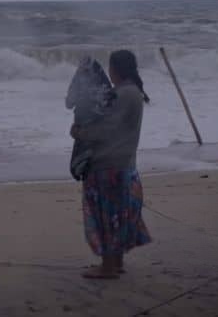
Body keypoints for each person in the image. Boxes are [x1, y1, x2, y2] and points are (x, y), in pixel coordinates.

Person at [70, 49, 151, 279]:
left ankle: (108, 267)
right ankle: (116, 263)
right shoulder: (133, 92)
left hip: (108, 165)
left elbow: (107, 129)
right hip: (124, 164)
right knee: (117, 217)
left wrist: (80, 133)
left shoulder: (122, 95)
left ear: (116, 69)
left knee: (106, 217)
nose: (109, 72)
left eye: (110, 67)